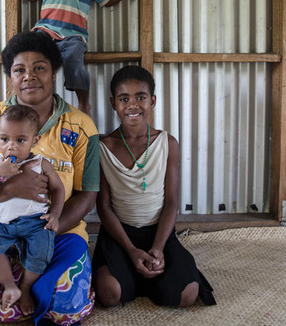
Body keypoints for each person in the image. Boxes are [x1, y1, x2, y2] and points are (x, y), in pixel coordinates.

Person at [0, 31, 100, 324]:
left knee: (65, 301)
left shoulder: (82, 126)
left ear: (53, 73)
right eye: (19, 69)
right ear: (11, 77)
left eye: (39, 68)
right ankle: (15, 284)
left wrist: (47, 230)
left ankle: (25, 286)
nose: (29, 76)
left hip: (58, 232)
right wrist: (11, 189)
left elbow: (87, 195)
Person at [92, 65, 216, 308]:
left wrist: (158, 248)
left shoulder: (167, 143)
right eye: (123, 98)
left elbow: (171, 202)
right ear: (112, 103)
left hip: (158, 232)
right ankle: (135, 272)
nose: (133, 105)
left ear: (153, 100)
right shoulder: (102, 146)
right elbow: (104, 207)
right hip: (120, 235)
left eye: (141, 97)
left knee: (188, 294)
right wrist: (130, 250)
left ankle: (149, 269)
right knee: (109, 294)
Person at [0, 104, 65, 313]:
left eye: (20, 140)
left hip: (36, 222)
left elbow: (58, 189)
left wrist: (55, 214)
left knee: (42, 251)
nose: (11, 147)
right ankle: (10, 286)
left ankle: (25, 286)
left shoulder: (40, 163)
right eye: (5, 139)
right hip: (3, 224)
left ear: (35, 140)